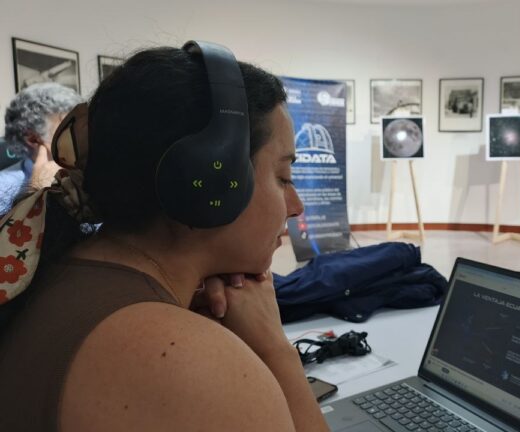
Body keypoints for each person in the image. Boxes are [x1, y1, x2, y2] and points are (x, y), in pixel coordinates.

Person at [0, 44, 329, 431]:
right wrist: (274, 349)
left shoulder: (59, 271)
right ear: (211, 179)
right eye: (284, 177)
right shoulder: (187, 361)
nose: (296, 206)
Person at [0, 83, 83, 214]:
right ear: (33, 139)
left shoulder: (88, 169)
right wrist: (37, 192)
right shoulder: (3, 188)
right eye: (68, 129)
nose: (82, 136)